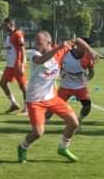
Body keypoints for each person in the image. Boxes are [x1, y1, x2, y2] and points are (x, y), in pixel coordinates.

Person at [16, 32, 86, 163]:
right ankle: (23, 147)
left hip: (52, 98)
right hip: (35, 100)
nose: (36, 45)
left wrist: (91, 52)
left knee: (74, 123)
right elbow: (41, 60)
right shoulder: (34, 54)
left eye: (39, 43)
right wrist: (58, 47)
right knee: (38, 132)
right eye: (35, 42)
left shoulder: (59, 51)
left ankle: (63, 148)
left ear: (48, 43)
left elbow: (78, 40)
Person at [56, 38, 99, 121]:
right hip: (65, 86)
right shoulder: (66, 52)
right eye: (84, 46)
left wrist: (86, 79)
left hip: (80, 87)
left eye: (87, 47)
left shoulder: (88, 57)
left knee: (87, 106)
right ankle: (41, 123)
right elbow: (57, 64)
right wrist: (61, 72)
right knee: (53, 108)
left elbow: (91, 72)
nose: (85, 48)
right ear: (78, 45)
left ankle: (79, 120)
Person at [0, 18, 27, 113]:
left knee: (23, 86)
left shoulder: (18, 34)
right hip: (9, 66)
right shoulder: (8, 35)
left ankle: (27, 107)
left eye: (5, 24)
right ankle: (13, 103)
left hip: (17, 64)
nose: (4, 26)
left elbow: (22, 50)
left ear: (11, 24)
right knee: (2, 83)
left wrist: (22, 64)